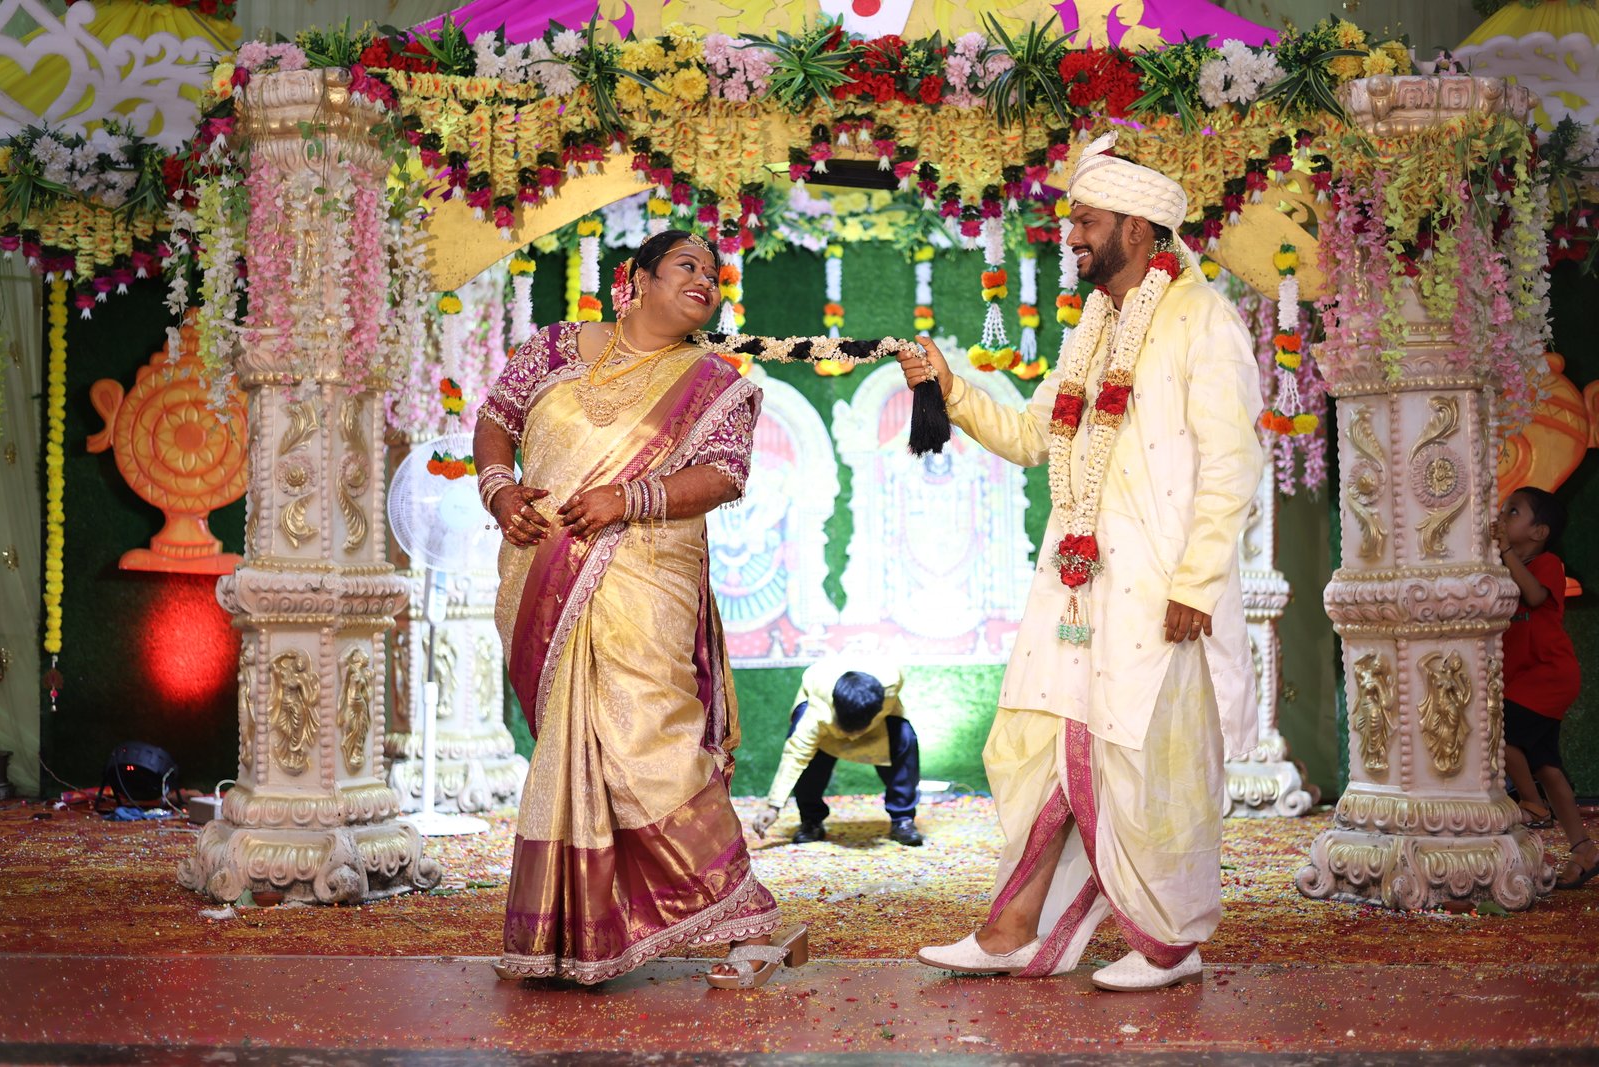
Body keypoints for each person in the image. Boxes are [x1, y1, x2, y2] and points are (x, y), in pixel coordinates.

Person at [896, 132, 1264, 990]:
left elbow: (1233, 462)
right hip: (1071, 583)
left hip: (1159, 590)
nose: (1071, 238)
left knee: (1147, 757)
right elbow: (1035, 436)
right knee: (1038, 745)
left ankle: (1169, 941)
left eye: (1086, 222)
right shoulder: (1089, 329)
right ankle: (1012, 930)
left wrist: (1198, 582)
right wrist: (951, 389)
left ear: (1136, 228)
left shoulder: (1202, 319)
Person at [475, 229, 806, 988]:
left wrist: (628, 498)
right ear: (636, 279)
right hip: (542, 574)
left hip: (646, 578)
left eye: (715, 275)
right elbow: (497, 416)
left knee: (649, 740)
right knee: (574, 749)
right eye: (688, 266)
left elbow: (723, 476)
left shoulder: (714, 382)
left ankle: (745, 918)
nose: (706, 282)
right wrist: (499, 489)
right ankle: (576, 933)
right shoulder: (554, 348)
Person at [1496, 487, 1592, 889]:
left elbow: (1534, 596)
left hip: (1549, 675)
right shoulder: (1505, 567)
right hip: (1525, 679)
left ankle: (1533, 804)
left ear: (1539, 532)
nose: (1502, 516)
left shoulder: (1547, 563)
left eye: (1513, 512)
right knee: (1547, 766)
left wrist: (1505, 553)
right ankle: (1584, 850)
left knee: (1500, 731)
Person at [750, 658, 924, 847]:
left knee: (904, 736)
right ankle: (811, 820)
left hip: (879, 728)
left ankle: (903, 819)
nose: (852, 738)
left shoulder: (892, 682)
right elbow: (794, 756)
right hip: (825, 732)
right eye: (848, 730)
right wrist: (773, 806)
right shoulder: (816, 713)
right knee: (806, 756)